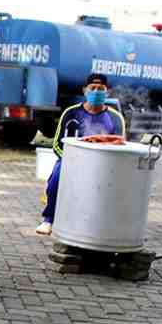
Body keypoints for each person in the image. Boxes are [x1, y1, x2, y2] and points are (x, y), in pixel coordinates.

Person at [36, 73, 125, 235]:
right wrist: (71, 160)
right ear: (85, 90)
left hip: (104, 166)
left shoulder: (115, 118)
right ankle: (48, 219)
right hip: (71, 161)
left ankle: (105, 225)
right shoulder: (71, 113)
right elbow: (57, 143)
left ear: (107, 92)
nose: (97, 92)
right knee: (57, 174)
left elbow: (121, 147)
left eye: (101, 89)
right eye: (93, 88)